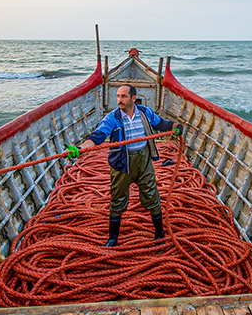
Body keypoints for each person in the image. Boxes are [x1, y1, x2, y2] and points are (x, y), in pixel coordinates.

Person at [66, 85, 181, 246]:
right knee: (117, 200)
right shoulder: (112, 118)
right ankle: (113, 238)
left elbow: (160, 124)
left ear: (133, 98)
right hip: (121, 164)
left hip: (144, 162)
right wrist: (81, 148)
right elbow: (98, 136)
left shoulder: (145, 113)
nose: (119, 100)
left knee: (152, 196)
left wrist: (174, 126)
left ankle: (159, 233)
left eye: (124, 96)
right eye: (118, 96)